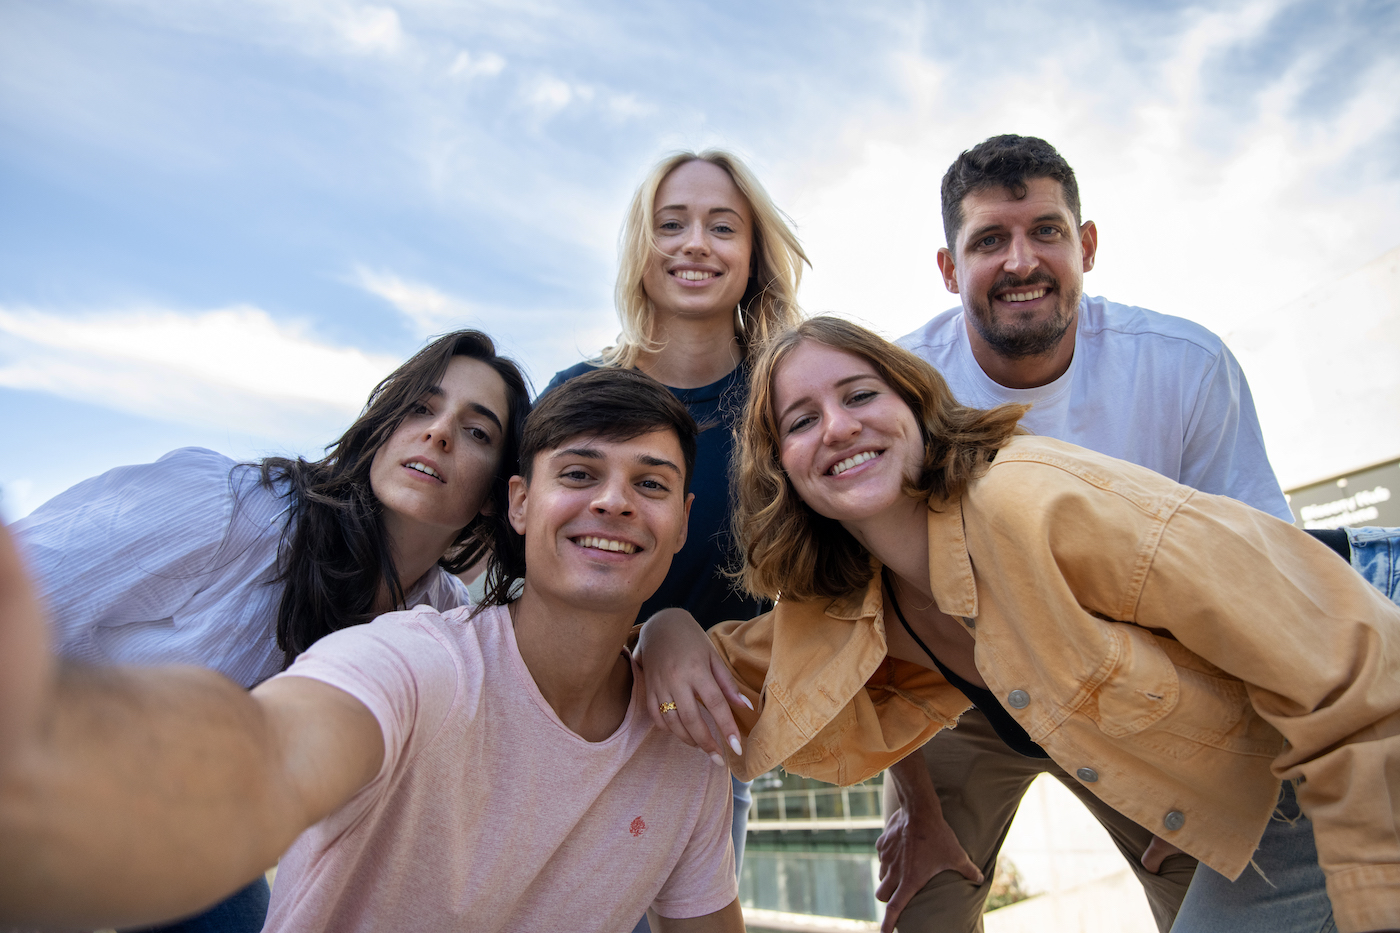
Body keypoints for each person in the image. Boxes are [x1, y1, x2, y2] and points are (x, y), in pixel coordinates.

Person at [636, 317, 1400, 933]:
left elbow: (1348, 659)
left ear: (915, 405)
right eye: (801, 420)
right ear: (784, 469)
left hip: (1342, 715)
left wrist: (1376, 891)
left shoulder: (1031, 503)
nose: (836, 427)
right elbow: (730, 666)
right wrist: (663, 626)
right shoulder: (857, 598)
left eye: (860, 395)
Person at [0, 368, 744, 933]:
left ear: (683, 520)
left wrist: (667, 624)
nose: (614, 500)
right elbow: (269, 753)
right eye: (579, 473)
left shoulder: (681, 746)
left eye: (647, 483)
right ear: (519, 503)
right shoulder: (400, 643)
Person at [881, 133, 1301, 932]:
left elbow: (1262, 576)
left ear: (1087, 244)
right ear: (947, 268)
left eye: (1045, 231)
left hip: (1139, 688)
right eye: (989, 241)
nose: (1020, 261)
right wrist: (917, 806)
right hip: (962, 697)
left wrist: (1208, 763)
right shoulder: (899, 392)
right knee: (921, 908)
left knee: (1217, 905)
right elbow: (862, 608)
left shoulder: (1183, 366)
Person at [10, 328, 531, 932]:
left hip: (188, 833)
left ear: (498, 495)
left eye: (476, 431)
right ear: (381, 429)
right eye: (420, 407)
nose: (439, 432)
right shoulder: (235, 508)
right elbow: (32, 584)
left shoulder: (439, 622)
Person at [544, 147, 809, 908]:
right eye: (672, 223)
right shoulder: (578, 396)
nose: (696, 242)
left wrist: (915, 796)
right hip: (569, 730)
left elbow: (852, 579)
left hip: (702, 752)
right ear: (642, 246)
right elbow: (530, 575)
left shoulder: (789, 403)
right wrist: (654, 628)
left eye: (722, 226)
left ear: (752, 253)